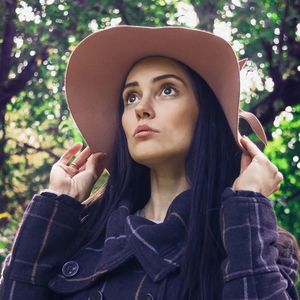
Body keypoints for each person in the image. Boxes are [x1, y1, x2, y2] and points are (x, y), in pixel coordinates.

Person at [0, 25, 299, 300]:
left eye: (167, 90)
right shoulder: (81, 232)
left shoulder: (254, 242)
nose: (141, 108)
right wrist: (57, 205)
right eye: (130, 97)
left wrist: (248, 202)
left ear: (204, 114)